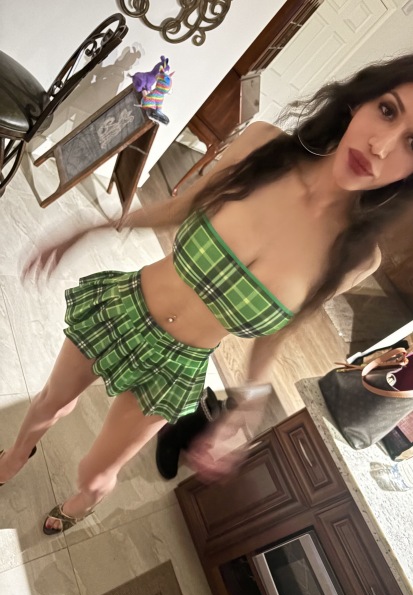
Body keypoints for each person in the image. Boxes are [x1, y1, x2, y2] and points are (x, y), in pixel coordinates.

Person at [2, 53, 413, 534]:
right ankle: (15, 455)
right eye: (387, 110)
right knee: (50, 403)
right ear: (357, 102)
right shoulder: (264, 147)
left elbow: (279, 332)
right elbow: (182, 206)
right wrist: (92, 227)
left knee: (95, 473)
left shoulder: (356, 258)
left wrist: (249, 403)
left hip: (176, 367)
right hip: (125, 306)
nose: (380, 146)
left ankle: (84, 503)